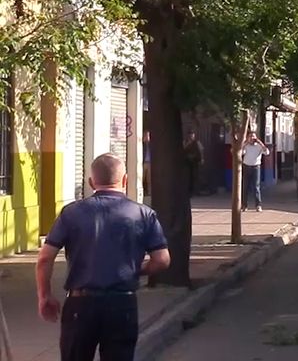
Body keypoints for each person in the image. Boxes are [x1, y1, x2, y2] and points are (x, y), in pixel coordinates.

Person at [35, 153, 170, 361]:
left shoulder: (71, 213)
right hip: (122, 304)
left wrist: (44, 295)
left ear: (91, 182)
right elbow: (162, 259)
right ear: (125, 180)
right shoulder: (144, 214)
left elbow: (45, 258)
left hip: (80, 305)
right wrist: (136, 269)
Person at [241, 131, 269, 213]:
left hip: (256, 167)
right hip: (246, 166)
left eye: (253, 137)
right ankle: (244, 205)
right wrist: (245, 143)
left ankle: (258, 205)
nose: (252, 138)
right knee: (245, 187)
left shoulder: (259, 146)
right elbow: (241, 153)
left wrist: (261, 143)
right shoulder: (246, 146)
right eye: (250, 137)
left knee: (256, 187)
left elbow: (267, 152)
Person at [183, 130, 205, 197]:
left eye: (192, 135)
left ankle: (195, 191)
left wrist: (202, 159)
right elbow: (183, 149)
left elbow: (201, 151)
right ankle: (188, 191)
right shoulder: (185, 142)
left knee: (195, 176)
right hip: (187, 162)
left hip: (195, 162)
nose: (191, 136)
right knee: (188, 177)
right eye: (190, 135)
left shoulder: (197, 142)